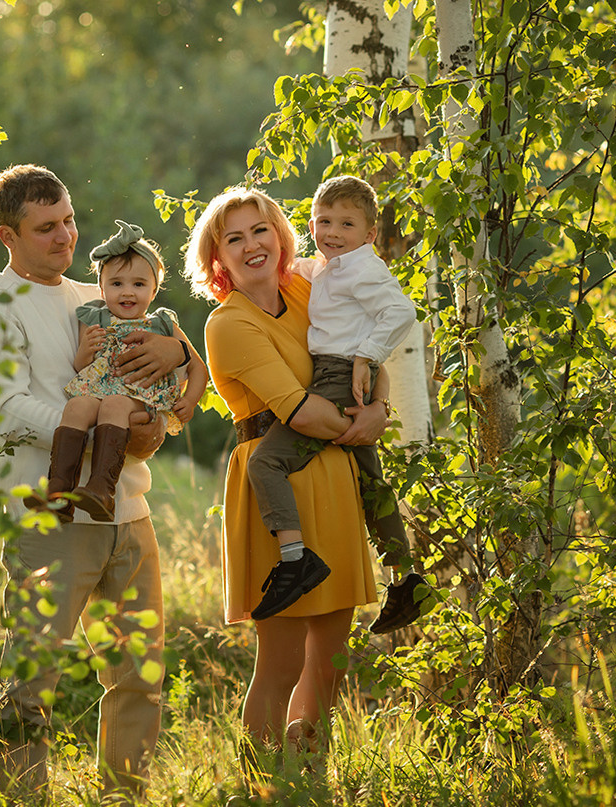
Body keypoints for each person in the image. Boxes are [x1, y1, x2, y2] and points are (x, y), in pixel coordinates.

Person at [0, 165, 186, 803]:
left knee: (138, 677)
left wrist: (177, 358)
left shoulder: (99, 295)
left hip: (128, 513)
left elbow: (161, 383)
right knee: (31, 683)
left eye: (70, 220)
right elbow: (4, 410)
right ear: (8, 235)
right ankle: (22, 799)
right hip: (49, 521)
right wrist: (94, 426)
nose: (66, 237)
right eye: (46, 227)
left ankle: (123, 797)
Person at [183, 185, 387, 780]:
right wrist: (363, 426)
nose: (252, 245)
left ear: (280, 235)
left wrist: (382, 405)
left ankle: (308, 777)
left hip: (334, 476)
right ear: (217, 257)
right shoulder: (228, 324)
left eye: (260, 230)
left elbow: (368, 348)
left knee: (332, 660)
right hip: (278, 485)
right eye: (234, 238)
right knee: (282, 660)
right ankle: (262, 784)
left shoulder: (308, 289)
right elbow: (298, 411)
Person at [246, 175, 427, 633]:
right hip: (344, 377)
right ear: (311, 225)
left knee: (266, 462)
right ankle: (405, 578)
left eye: (347, 224)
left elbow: (402, 312)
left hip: (338, 377)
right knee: (372, 485)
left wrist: (368, 355)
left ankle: (295, 559)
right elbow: (302, 270)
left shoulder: (362, 268)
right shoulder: (331, 267)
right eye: (324, 221)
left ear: (369, 234)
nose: (333, 232)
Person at [25, 219, 208, 523]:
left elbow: (197, 367)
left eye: (139, 284)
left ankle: (102, 489)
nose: (127, 293)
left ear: (154, 290)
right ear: (102, 288)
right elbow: (82, 368)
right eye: (117, 284)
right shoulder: (94, 318)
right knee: (76, 406)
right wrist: (86, 350)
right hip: (99, 390)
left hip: (139, 394)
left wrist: (190, 401)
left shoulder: (161, 323)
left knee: (115, 405)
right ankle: (58, 490)